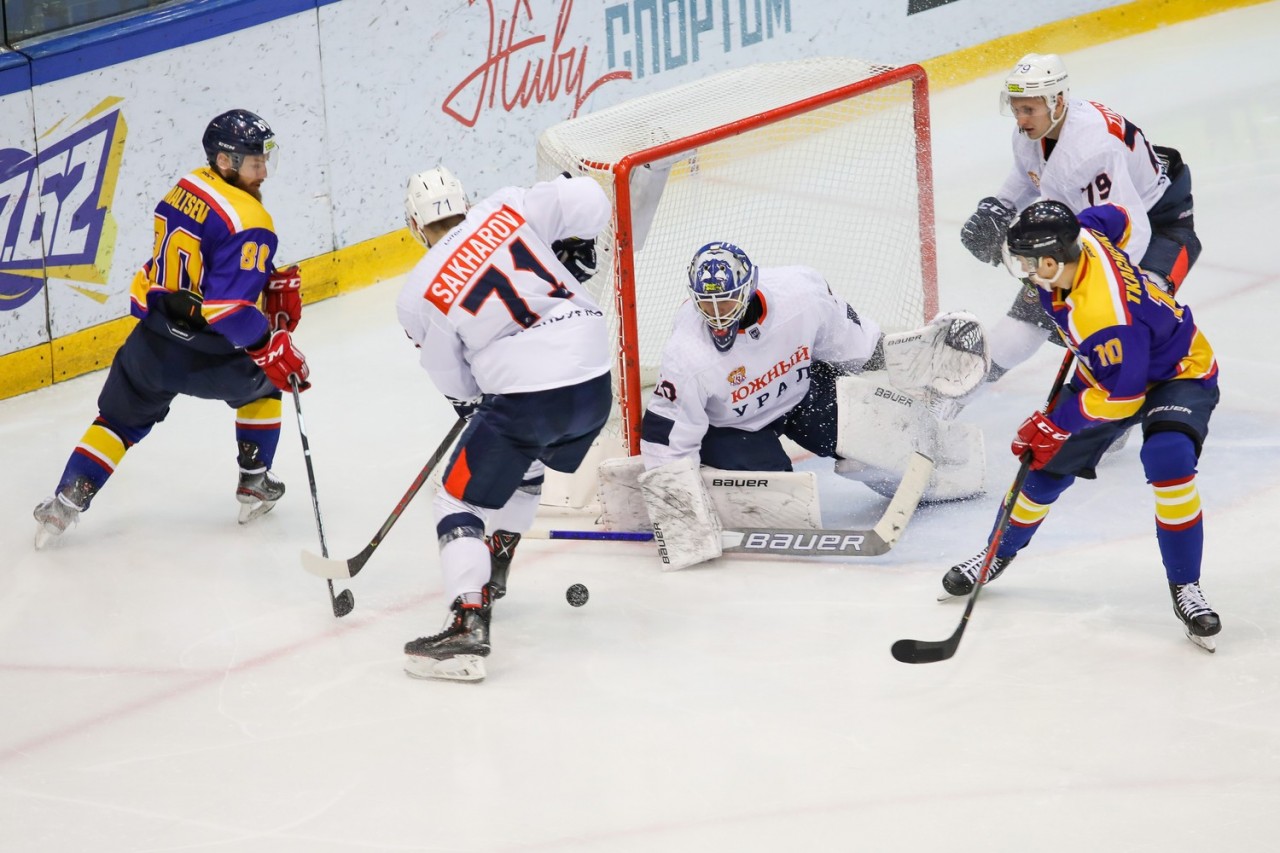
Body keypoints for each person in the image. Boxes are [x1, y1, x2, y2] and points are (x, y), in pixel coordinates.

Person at [941, 200, 1221, 652]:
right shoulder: (1085, 232)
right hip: (1110, 369)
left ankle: (1186, 587)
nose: (1025, 271)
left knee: (1167, 459)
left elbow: (1124, 397)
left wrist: (1057, 421)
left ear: (1053, 260)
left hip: (1177, 371)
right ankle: (997, 552)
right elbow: (1119, 217)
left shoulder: (1104, 318)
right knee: (1042, 468)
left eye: (1030, 263)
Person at [32, 109, 310, 547]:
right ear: (226, 162)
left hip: (154, 343)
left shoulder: (185, 188)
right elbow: (227, 309)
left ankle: (67, 499)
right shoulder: (252, 220)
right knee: (264, 386)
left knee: (117, 421)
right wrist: (267, 346)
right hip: (214, 354)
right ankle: (254, 481)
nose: (264, 173)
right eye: (256, 162)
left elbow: (205, 251)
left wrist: (264, 273)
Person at [632, 242, 991, 568]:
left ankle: (938, 476)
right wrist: (679, 518)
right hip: (732, 427)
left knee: (882, 443)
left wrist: (907, 356)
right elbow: (666, 437)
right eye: (705, 303)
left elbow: (853, 347)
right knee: (781, 510)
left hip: (800, 393)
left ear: (748, 288)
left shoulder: (800, 294)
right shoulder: (688, 354)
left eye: (725, 300)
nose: (716, 313)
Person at [395, 165, 612, 682]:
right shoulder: (507, 206)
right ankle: (498, 555)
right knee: (528, 461)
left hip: (527, 394)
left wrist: (475, 404)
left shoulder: (416, 293)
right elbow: (591, 201)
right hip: (594, 379)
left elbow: (454, 378)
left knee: (455, 497)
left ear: (414, 225)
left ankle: (468, 621)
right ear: (465, 205)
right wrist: (567, 229)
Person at [960, 52, 1201, 384]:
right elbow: (1030, 175)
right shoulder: (1032, 132)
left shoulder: (1093, 149)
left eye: (1029, 109)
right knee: (1026, 323)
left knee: (1127, 323)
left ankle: (1115, 415)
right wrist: (999, 208)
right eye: (1016, 109)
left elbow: (1133, 227)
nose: (1021, 119)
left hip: (1158, 227)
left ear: (1057, 102)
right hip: (1090, 228)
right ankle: (947, 398)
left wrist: (1090, 285)